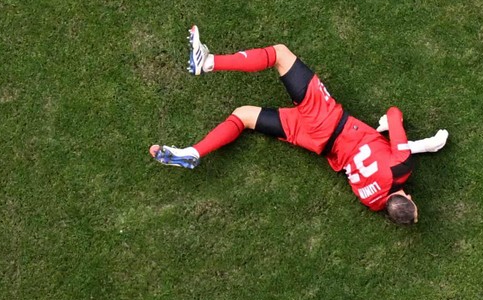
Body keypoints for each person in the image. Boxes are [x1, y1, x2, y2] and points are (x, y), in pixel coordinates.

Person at [149, 27, 449, 224]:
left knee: (279, 53)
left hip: (328, 121)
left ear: (407, 197)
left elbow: (394, 114)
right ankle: (194, 152)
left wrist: (389, 125)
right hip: (316, 143)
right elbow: (384, 163)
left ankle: (208, 62)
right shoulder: (371, 202)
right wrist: (418, 145)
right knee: (243, 116)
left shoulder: (402, 167)